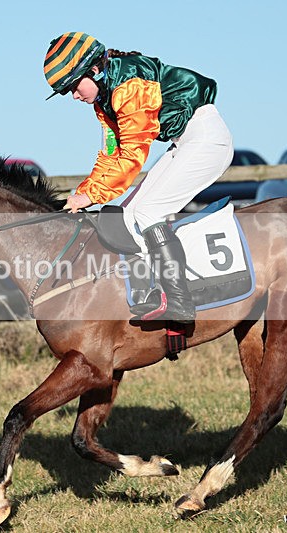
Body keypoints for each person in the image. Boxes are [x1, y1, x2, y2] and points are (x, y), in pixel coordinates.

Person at [44, 32, 233, 325]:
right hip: (185, 141)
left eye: (73, 86)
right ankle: (156, 292)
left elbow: (133, 155)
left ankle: (180, 303)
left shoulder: (130, 85)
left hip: (207, 139)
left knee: (147, 212)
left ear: (94, 70)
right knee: (130, 214)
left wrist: (91, 196)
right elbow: (110, 155)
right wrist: (81, 194)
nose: (74, 96)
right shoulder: (104, 101)